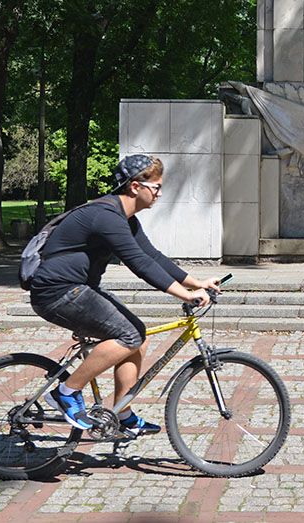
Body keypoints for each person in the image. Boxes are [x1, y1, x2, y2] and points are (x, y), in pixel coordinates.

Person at [27, 154, 220, 433]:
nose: (160, 193)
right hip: (58, 292)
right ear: (135, 186)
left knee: (138, 336)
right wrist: (186, 295)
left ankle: (121, 414)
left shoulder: (126, 219)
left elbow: (153, 256)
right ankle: (66, 392)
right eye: (156, 187)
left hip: (78, 289)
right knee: (129, 335)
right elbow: (139, 264)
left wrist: (197, 282)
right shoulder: (106, 217)